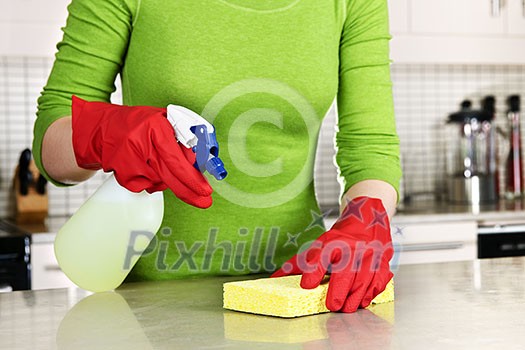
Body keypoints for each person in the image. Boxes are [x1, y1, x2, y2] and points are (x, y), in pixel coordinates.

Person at [34, 0, 401, 313]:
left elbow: (370, 144)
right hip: (146, 302)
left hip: (293, 292)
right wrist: (104, 134)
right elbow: (52, 147)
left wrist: (368, 212)